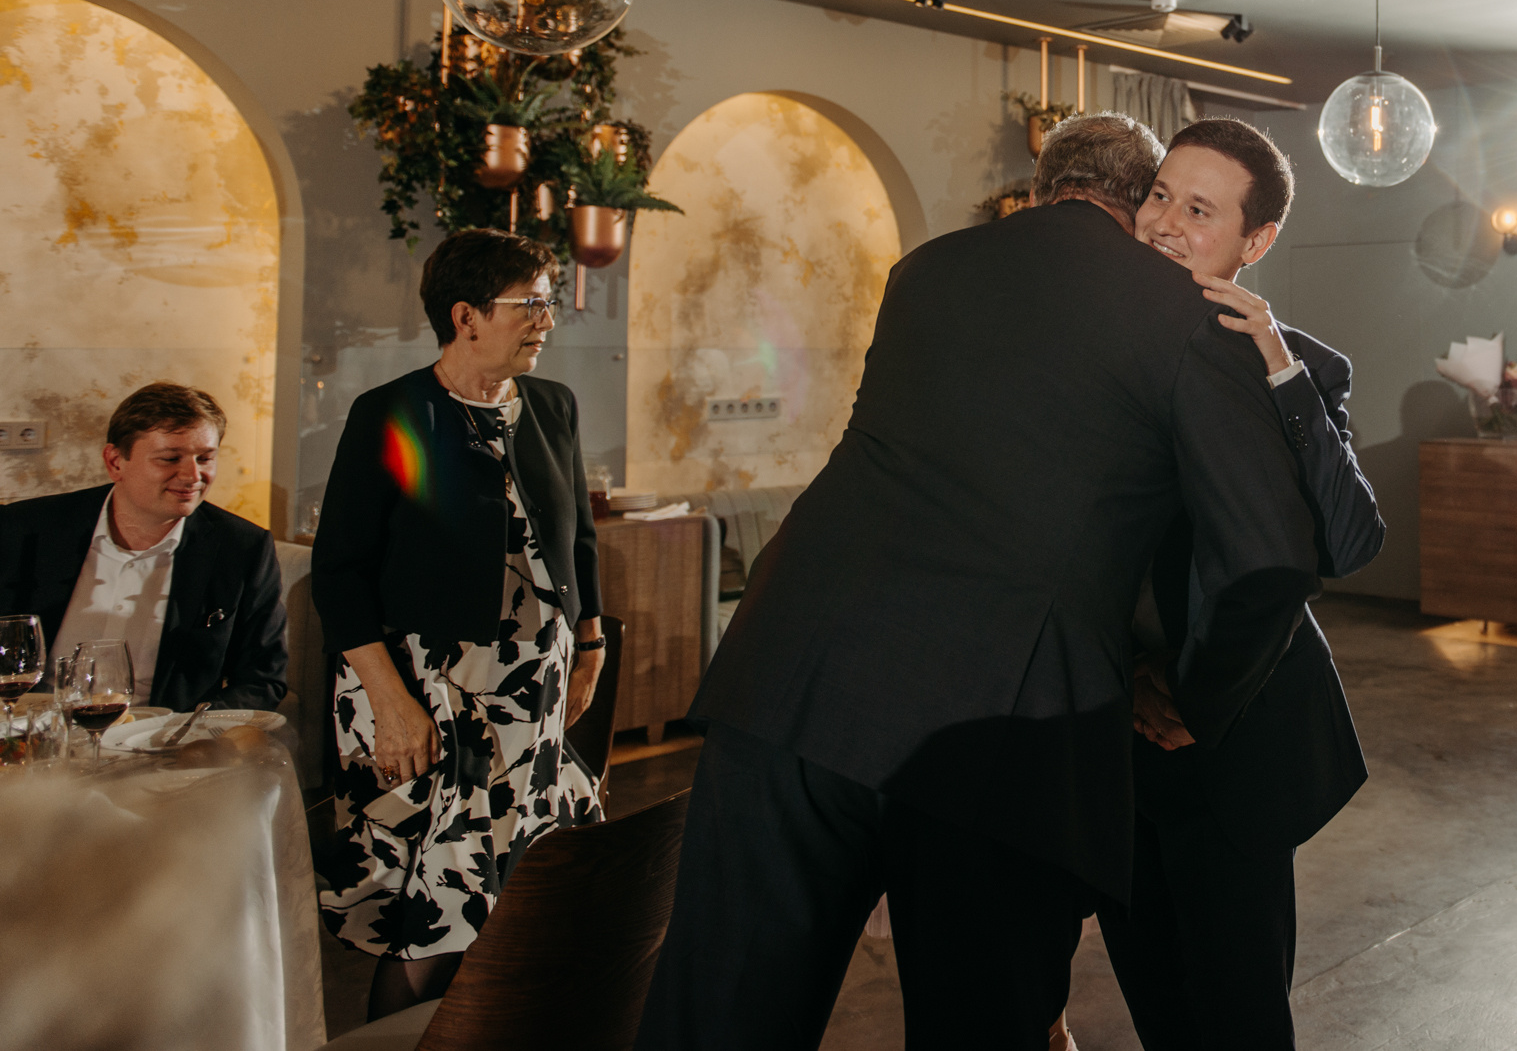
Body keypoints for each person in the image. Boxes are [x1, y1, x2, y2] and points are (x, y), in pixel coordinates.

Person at [635, 113, 1321, 1051]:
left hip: (791, 679)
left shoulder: (925, 271)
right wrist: (1192, 699)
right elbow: (1273, 555)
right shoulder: (1189, 320)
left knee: (717, 1015)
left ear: (1039, 192)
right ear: (1138, 204)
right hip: (996, 726)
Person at [1099, 118, 1384, 1051]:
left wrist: (1279, 370)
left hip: (1238, 725)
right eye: (1159, 196)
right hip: (1115, 723)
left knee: (1237, 1007)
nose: (1163, 223)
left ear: (1253, 243)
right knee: (1152, 994)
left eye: (1199, 210)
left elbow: (1349, 540)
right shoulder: (1094, 342)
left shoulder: (1295, 365)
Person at [312, 229, 605, 1021]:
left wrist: (590, 646)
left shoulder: (552, 406)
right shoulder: (393, 413)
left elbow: (578, 538)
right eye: (530, 303)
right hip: (428, 696)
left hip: (530, 697)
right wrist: (393, 703)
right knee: (435, 910)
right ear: (466, 315)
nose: (547, 319)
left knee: (517, 900)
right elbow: (338, 574)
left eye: (548, 302)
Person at [0, 382, 286, 712]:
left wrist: (190, 730)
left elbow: (262, 680)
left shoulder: (243, 548)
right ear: (115, 461)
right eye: (170, 458)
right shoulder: (23, 528)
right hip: (30, 729)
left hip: (161, 736)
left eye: (206, 458)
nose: (193, 475)